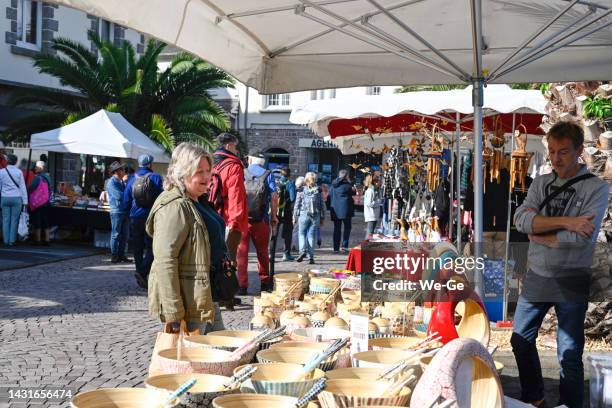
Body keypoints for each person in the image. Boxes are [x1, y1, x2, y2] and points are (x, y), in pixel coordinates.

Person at [512, 122, 609, 408]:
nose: (556, 159)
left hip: (571, 278)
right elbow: (521, 221)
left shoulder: (596, 188)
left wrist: (541, 231)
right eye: (552, 152)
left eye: (563, 152)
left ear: (580, 150)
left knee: (568, 353)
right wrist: (567, 222)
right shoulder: (541, 183)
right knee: (519, 340)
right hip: (538, 275)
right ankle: (535, 399)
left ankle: (570, 405)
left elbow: (577, 240)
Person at [146, 142, 223, 334]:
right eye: (199, 171)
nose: (206, 176)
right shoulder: (174, 206)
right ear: (182, 173)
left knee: (220, 353)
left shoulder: (198, 200)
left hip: (205, 295)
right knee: (192, 360)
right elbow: (165, 260)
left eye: (208, 170)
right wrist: (174, 312)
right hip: (189, 301)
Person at [211, 133, 249, 305]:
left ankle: (217, 292)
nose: (236, 149)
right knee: (229, 259)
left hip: (214, 216)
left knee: (216, 258)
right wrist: (235, 222)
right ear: (228, 146)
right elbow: (236, 195)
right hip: (229, 218)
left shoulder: (213, 164)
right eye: (235, 146)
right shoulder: (233, 166)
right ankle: (226, 295)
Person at [237, 149, 278, 293]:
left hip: (243, 221)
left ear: (250, 160)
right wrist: (274, 216)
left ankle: (242, 285)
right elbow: (274, 196)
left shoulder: (242, 172)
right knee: (262, 253)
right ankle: (265, 282)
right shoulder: (268, 174)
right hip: (262, 220)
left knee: (242, 253)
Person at [124, 154, 163, 288]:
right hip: (151, 217)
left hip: (135, 217)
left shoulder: (131, 179)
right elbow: (161, 198)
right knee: (153, 247)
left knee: (137, 247)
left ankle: (140, 271)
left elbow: (126, 201)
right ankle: (143, 271)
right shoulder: (156, 177)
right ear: (150, 164)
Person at [293, 171, 325, 264]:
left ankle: (302, 251)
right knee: (311, 236)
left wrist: (294, 216)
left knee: (301, 233)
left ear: (306, 180)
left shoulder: (301, 190)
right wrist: (323, 217)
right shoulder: (318, 190)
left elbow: (297, 204)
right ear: (315, 180)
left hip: (303, 214)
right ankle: (311, 257)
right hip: (315, 215)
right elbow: (322, 204)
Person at [0, 154, 28, 246]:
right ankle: (12, 240)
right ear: (15, 162)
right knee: (14, 220)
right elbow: (22, 187)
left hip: (5, 198)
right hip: (17, 198)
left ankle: (6, 240)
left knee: (5, 219)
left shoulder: (2, 172)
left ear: (7, 161)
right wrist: (25, 201)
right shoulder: (19, 172)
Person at [106, 161, 130, 263]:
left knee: (125, 235)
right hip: (117, 211)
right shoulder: (112, 182)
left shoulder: (120, 181)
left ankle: (122, 255)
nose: (124, 171)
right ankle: (114, 255)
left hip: (124, 211)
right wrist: (125, 183)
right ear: (117, 172)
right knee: (116, 234)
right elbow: (120, 196)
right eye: (122, 169)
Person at [329, 169, 356, 252]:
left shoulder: (333, 184)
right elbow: (353, 193)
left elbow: (330, 195)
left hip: (335, 210)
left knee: (337, 229)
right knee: (347, 228)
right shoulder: (347, 185)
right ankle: (344, 246)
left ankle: (336, 248)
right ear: (346, 176)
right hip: (346, 210)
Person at [28, 161, 52, 245]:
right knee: (46, 221)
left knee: (37, 221)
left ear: (41, 168)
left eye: (36, 167)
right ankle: (47, 240)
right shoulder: (48, 177)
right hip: (46, 201)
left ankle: (37, 240)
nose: (35, 168)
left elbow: (31, 188)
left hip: (38, 202)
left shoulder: (38, 177)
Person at [276, 167, 297, 261]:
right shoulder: (290, 183)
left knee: (274, 232)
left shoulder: (276, 182)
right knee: (287, 233)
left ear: (281, 174)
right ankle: (286, 254)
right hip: (286, 211)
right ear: (289, 174)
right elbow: (293, 198)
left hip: (276, 211)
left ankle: (271, 253)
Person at [363, 174, 382, 239]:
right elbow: (369, 203)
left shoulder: (374, 190)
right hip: (371, 215)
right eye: (379, 181)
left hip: (373, 215)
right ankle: (366, 247)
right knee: (369, 233)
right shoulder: (370, 190)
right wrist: (378, 202)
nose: (381, 182)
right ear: (375, 182)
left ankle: (368, 246)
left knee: (371, 233)